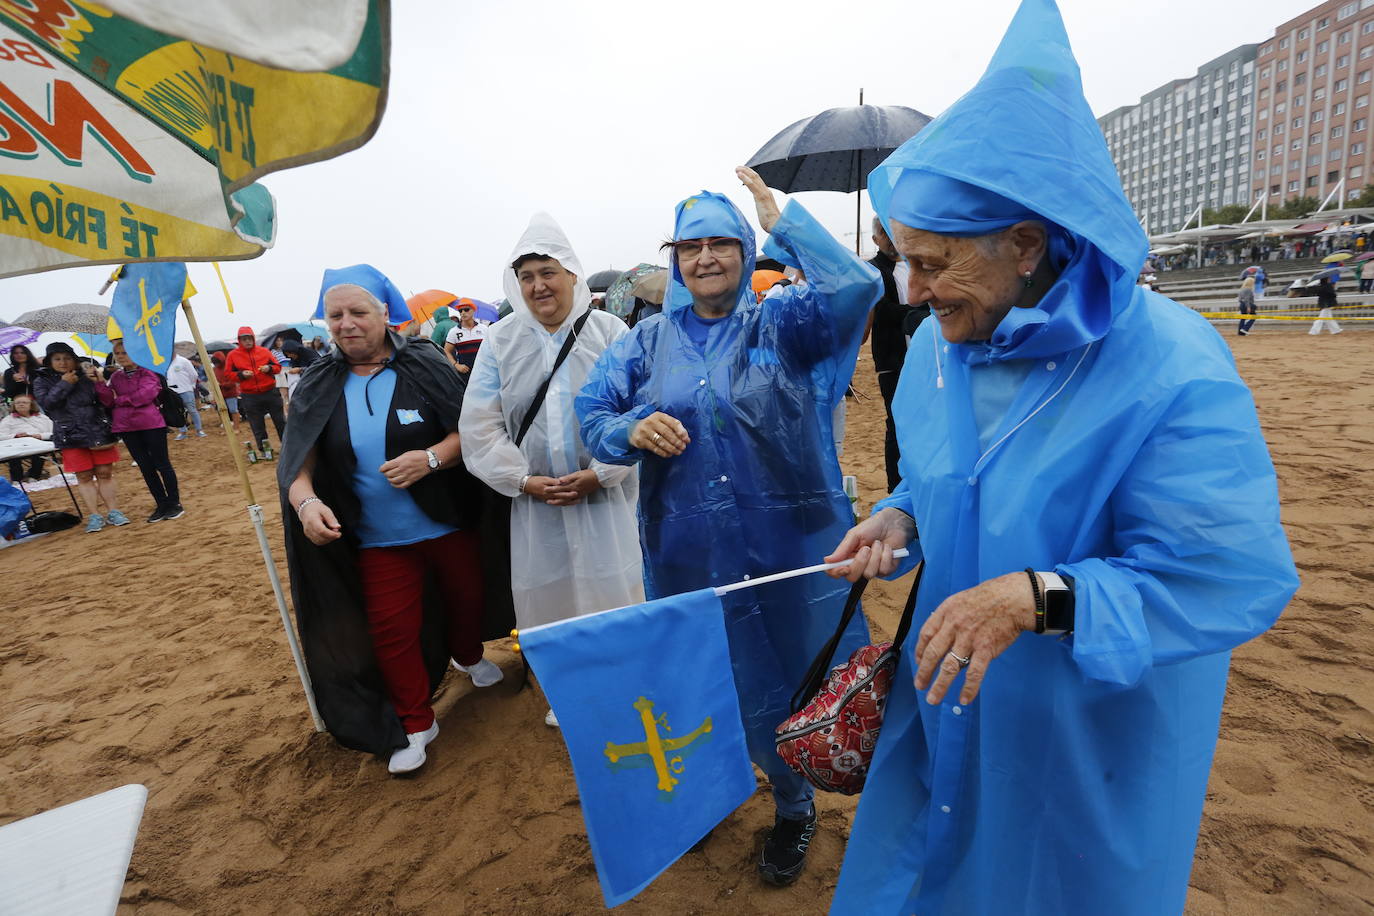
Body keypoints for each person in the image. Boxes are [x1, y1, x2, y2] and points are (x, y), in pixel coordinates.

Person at [820, 3, 1299, 914]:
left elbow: (1227, 575)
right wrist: (903, 515)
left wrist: (1040, 598)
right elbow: (952, 477)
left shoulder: (1171, 365)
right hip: (951, 707)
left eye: (932, 263)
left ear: (1028, 244)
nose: (910, 294)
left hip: (1086, 743)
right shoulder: (936, 348)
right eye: (901, 260)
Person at [576, 168, 880, 887]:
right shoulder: (643, 344)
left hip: (790, 546)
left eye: (722, 243)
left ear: (746, 250)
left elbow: (857, 289)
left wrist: (783, 219)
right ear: (673, 259)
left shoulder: (786, 324)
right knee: (715, 673)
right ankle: (731, 792)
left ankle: (796, 804)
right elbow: (591, 416)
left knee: (798, 669)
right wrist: (629, 428)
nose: (705, 258)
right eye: (690, 247)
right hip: (690, 549)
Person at [279, 264, 507, 776]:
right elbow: (297, 464)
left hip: (450, 524)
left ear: (386, 314)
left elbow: (469, 432)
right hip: (377, 540)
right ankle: (415, 721)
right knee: (391, 631)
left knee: (467, 602)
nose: (346, 323)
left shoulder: (425, 363)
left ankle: (467, 655)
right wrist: (306, 502)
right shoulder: (316, 383)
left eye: (358, 312)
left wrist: (429, 459)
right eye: (334, 315)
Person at [459, 214, 643, 728]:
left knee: (614, 586)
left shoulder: (612, 332)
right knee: (550, 595)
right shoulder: (499, 342)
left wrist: (602, 472)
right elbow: (479, 425)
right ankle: (570, 694)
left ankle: (623, 687)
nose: (538, 285)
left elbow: (638, 412)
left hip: (607, 498)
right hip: (536, 503)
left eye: (548, 272)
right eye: (526, 276)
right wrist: (521, 480)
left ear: (571, 274)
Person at [32, 342, 130, 532]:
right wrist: (64, 384)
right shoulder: (41, 380)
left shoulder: (86, 376)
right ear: (50, 361)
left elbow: (107, 401)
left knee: (104, 473)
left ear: (74, 359)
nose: (63, 362)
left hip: (97, 430)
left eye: (67, 358)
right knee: (84, 476)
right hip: (69, 434)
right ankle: (94, 515)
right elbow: (48, 404)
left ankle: (114, 511)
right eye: (57, 359)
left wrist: (99, 382)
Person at [867, 216, 925, 491]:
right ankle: (895, 486)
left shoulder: (915, 265)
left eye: (892, 232)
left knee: (924, 419)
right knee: (897, 424)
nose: (889, 239)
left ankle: (918, 478)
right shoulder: (873, 270)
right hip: (893, 360)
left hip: (923, 356)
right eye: (883, 234)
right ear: (875, 239)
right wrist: (921, 315)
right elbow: (883, 312)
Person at [98, 340, 182, 522]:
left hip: (151, 424)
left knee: (162, 464)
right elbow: (107, 400)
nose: (121, 356)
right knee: (145, 467)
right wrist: (99, 383)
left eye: (124, 352)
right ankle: (161, 504)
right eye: (118, 353)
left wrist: (121, 400)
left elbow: (146, 395)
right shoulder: (116, 378)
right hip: (127, 428)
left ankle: (174, 503)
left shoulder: (148, 372)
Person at [224, 326, 285, 452]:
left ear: (253, 338)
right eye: (244, 339)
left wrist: (269, 368)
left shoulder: (264, 351)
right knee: (257, 425)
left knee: (281, 422)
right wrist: (241, 375)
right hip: (250, 395)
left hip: (270, 392)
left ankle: (287, 447)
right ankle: (265, 450)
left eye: (249, 338)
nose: (247, 341)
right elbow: (228, 374)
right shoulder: (233, 355)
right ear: (239, 340)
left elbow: (278, 367)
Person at [0, 393, 53, 481]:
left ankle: (34, 476)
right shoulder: (8, 420)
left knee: (40, 451)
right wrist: (15, 436)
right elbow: (1, 436)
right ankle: (17, 478)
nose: (21, 404)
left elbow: (53, 432)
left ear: (31, 404)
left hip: (38, 442)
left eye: (24, 402)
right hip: (16, 445)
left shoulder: (42, 417)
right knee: (12, 455)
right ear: (14, 405)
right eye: (18, 403)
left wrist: (40, 436)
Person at [443, 299, 489, 374]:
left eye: (466, 309)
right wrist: (456, 365)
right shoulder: (454, 331)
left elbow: (491, 348)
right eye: (460, 311)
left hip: (483, 371)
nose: (463, 313)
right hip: (465, 372)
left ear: (474, 310)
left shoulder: (484, 329)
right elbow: (447, 351)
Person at [167, 352, 204, 439]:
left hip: (186, 390)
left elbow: (194, 375)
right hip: (173, 392)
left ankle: (199, 430)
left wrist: (191, 385)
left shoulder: (184, 361)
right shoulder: (166, 362)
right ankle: (182, 432)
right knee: (178, 412)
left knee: (192, 410)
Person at [210, 351, 240, 428]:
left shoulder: (229, 366)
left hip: (231, 393)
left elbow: (233, 382)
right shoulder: (214, 369)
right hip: (220, 394)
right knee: (221, 411)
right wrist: (214, 395)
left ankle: (236, 427)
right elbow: (213, 382)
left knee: (233, 410)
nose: (216, 364)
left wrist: (221, 385)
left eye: (217, 362)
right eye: (214, 362)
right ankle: (226, 427)